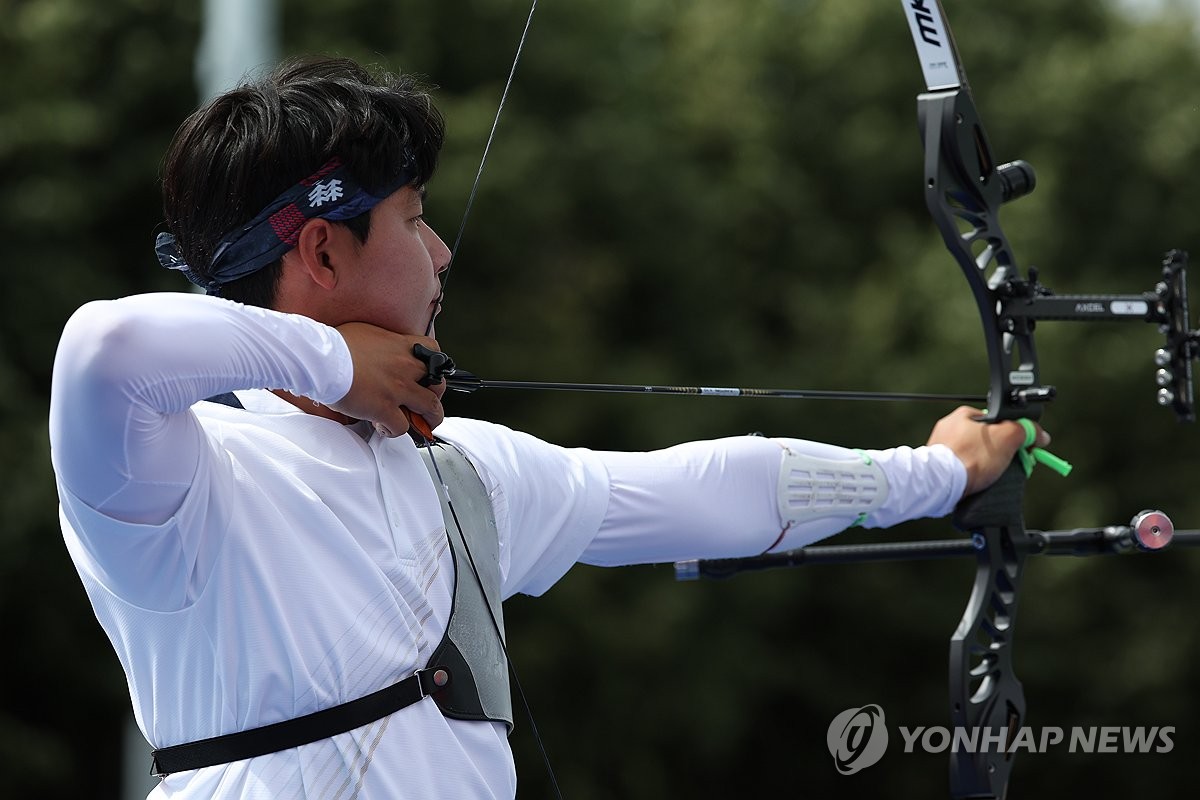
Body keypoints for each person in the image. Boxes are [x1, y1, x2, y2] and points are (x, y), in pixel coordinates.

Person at [48, 57, 1042, 799]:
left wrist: (931, 472)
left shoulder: (462, 471)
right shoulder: (182, 478)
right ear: (320, 247)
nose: (440, 251)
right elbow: (106, 344)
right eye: (411, 218)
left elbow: (714, 488)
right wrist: (339, 363)